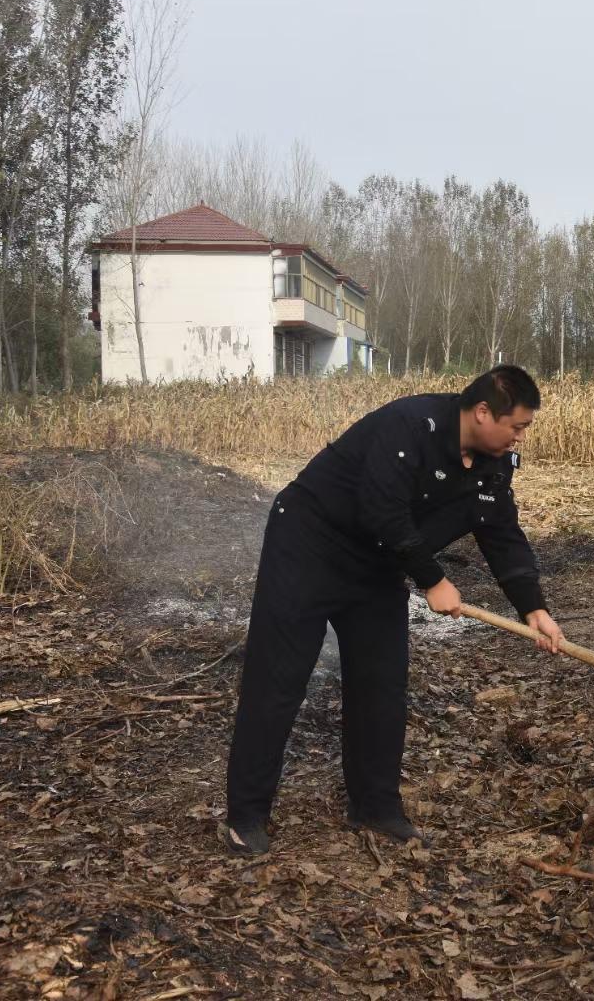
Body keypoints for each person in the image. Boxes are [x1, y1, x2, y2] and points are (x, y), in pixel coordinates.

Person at [223, 365, 564, 855]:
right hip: (310, 544)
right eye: (517, 426)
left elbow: (501, 532)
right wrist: (435, 580)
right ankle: (246, 815)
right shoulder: (408, 426)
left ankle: (375, 807)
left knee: (381, 684)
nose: (520, 436)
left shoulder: (493, 464)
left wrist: (534, 608)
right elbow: (381, 510)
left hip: (378, 563)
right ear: (484, 412)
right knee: (278, 679)